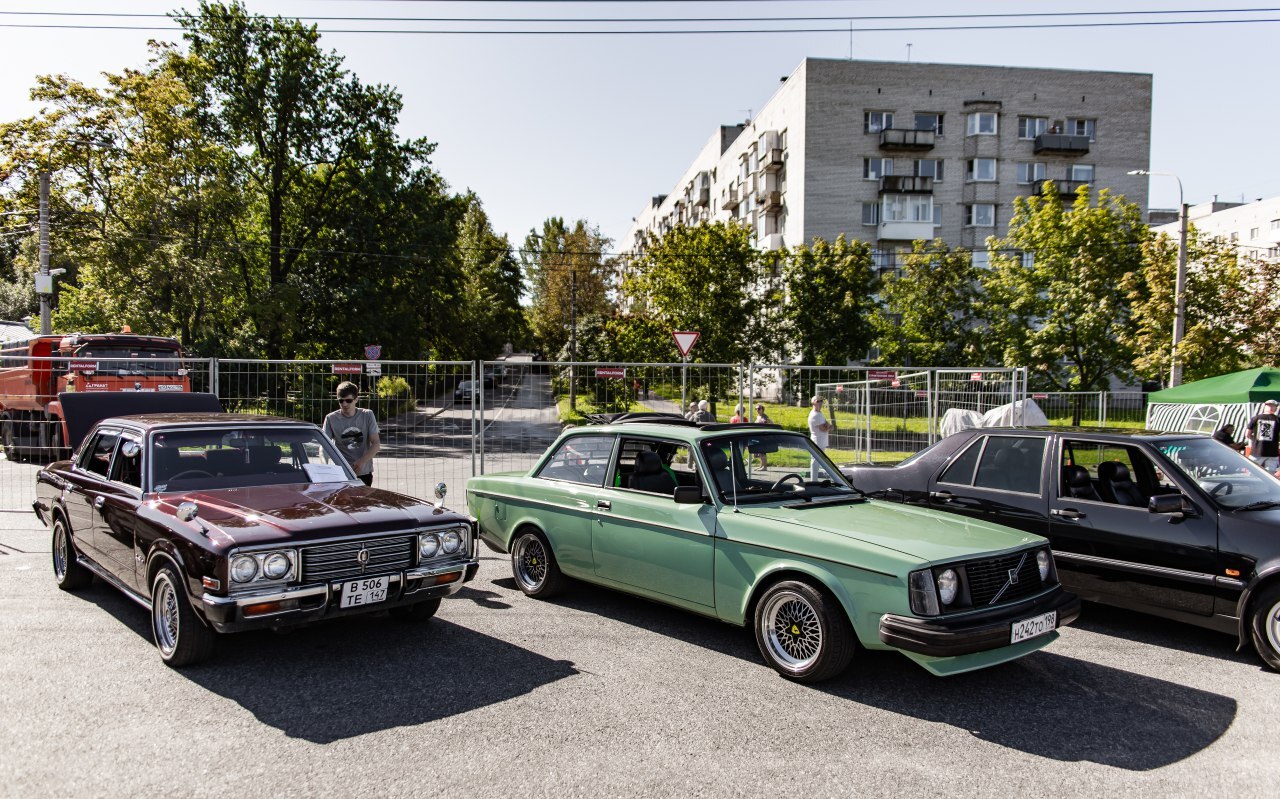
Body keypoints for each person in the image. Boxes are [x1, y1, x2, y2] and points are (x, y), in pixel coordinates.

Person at [323, 381, 381, 486]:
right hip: (341, 473)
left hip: (363, 473)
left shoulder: (367, 415)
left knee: (362, 502)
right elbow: (324, 445)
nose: (344, 404)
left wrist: (361, 461)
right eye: (341, 401)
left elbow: (376, 444)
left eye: (348, 401)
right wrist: (324, 466)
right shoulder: (331, 418)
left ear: (356, 400)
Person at [1246, 399, 1280, 470]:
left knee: (1253, 472)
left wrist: (1255, 440)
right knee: (1270, 475)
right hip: (1272, 452)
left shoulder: (1255, 418)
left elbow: (1247, 434)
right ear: (1276, 408)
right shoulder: (1278, 420)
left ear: (1264, 407)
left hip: (1257, 451)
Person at [807, 395, 833, 478]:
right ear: (813, 403)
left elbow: (827, 424)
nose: (820, 403)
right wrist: (829, 427)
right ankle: (813, 480)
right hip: (817, 441)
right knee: (815, 461)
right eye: (818, 401)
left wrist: (828, 426)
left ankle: (818, 478)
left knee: (820, 460)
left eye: (821, 401)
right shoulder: (815, 415)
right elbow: (823, 429)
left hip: (821, 440)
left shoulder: (819, 413)